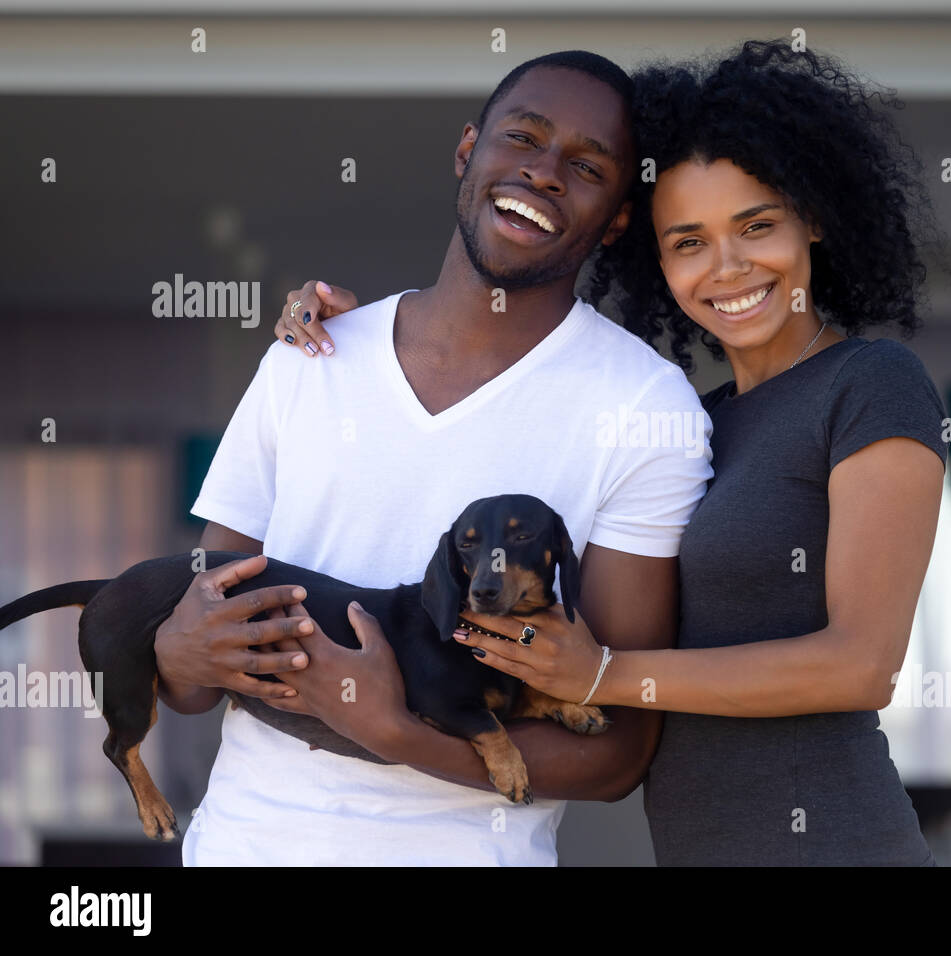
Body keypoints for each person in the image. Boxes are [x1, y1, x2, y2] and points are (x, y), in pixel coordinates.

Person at [279, 40, 950, 866]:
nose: (727, 267)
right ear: (653, 258)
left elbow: (861, 666)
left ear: (812, 217)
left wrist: (603, 675)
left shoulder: (873, 383)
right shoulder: (692, 425)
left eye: (757, 226)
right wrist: (365, 335)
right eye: (688, 241)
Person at [154, 51, 714, 866]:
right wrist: (172, 654)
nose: (545, 173)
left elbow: (618, 752)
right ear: (468, 152)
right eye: (523, 137)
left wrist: (396, 733)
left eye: (586, 166)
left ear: (619, 217)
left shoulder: (645, 409)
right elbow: (199, 668)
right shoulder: (309, 357)